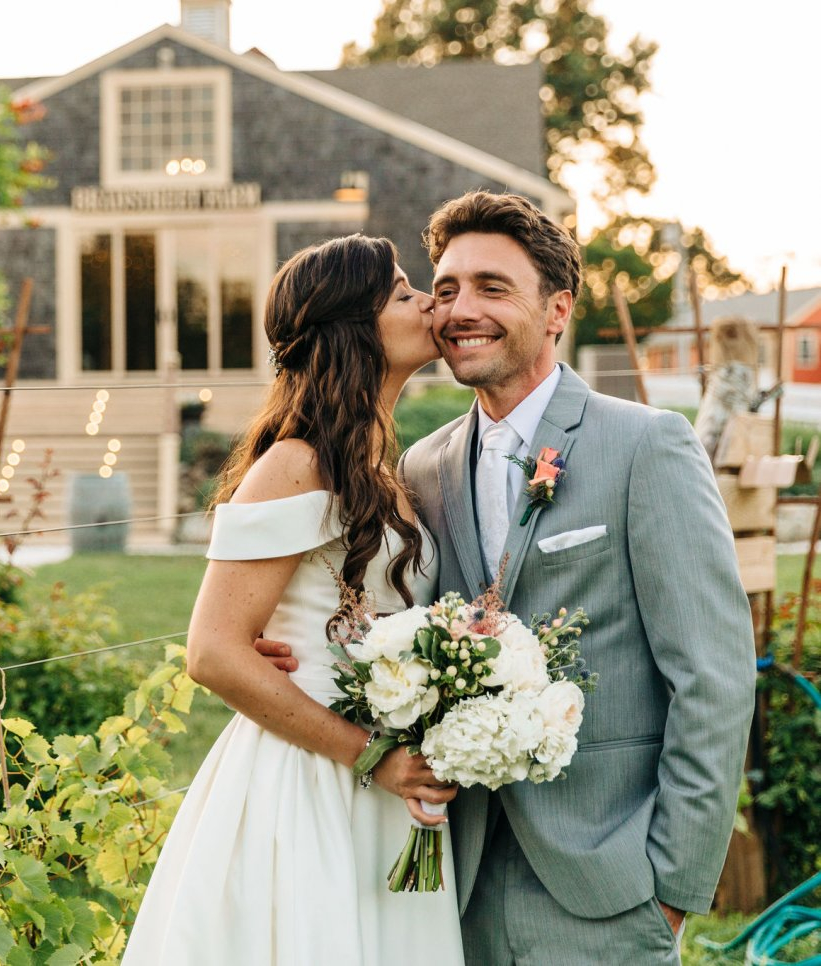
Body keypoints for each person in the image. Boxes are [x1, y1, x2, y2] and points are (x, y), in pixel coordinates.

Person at [256, 191, 754, 964]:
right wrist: (290, 650)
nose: (459, 309)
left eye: (493, 287)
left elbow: (714, 678)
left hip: (610, 888)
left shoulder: (646, 447)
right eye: (446, 288)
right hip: (453, 882)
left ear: (557, 310)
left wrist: (673, 888)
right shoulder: (421, 469)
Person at [122, 234, 464, 965]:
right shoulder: (296, 462)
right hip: (312, 775)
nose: (429, 302)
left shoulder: (382, 465)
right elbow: (212, 651)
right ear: (352, 329)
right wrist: (371, 755)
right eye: (403, 293)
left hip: (382, 776)